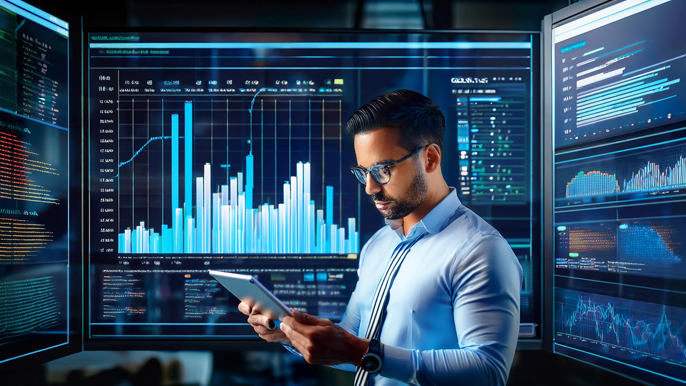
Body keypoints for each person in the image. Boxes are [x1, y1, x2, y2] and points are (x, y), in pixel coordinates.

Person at [238, 89, 523, 386]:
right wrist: (290, 332)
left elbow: (488, 372)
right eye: (363, 172)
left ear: (430, 158)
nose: (370, 188)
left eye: (382, 170)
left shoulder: (480, 250)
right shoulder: (378, 245)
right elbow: (357, 350)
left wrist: (359, 351)